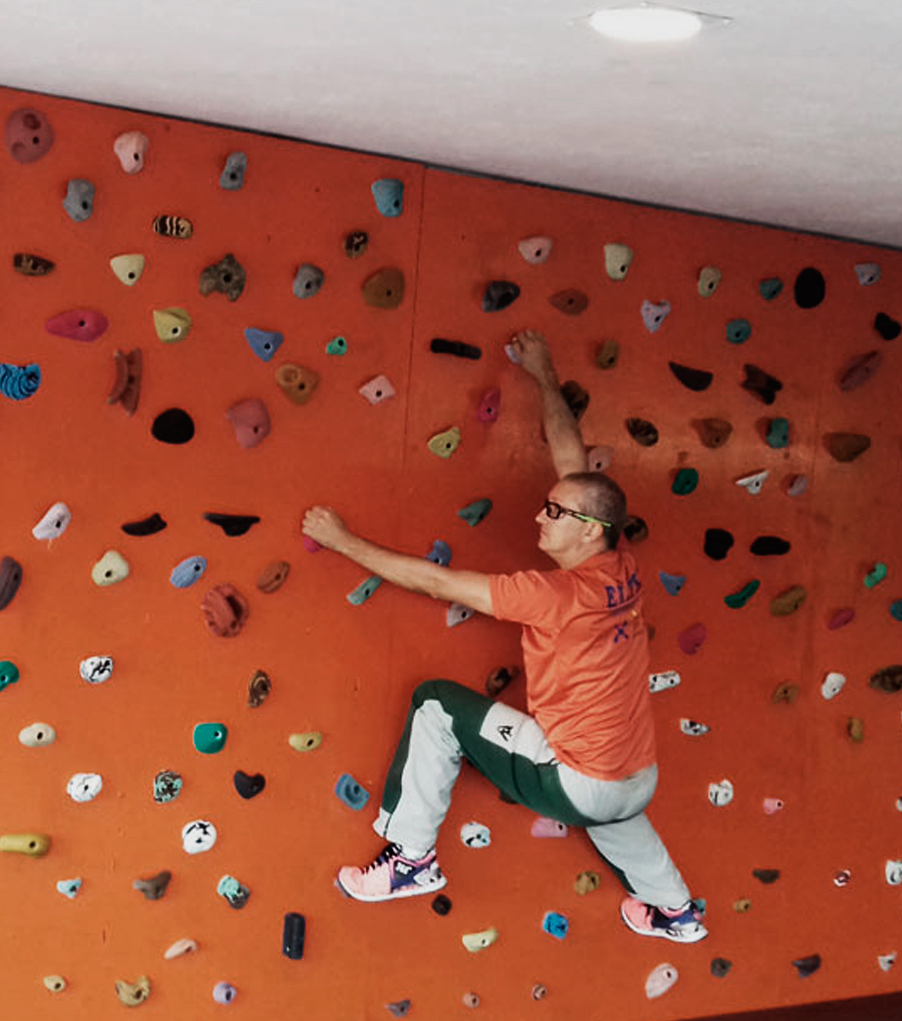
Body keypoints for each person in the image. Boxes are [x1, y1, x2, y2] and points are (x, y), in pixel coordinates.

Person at [300, 329, 705, 943]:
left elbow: (437, 582)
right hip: (637, 777)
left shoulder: (552, 595)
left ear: (592, 530)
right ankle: (675, 911)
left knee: (436, 703)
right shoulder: (621, 564)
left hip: (580, 780)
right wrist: (543, 371)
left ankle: (410, 859)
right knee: (614, 808)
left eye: (555, 514)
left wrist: (342, 541)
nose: (541, 517)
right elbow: (573, 461)